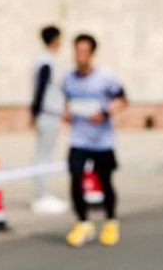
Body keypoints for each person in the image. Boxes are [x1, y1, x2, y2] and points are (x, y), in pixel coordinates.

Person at [62, 34, 127, 247]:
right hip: (78, 139)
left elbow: (122, 99)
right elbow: (67, 101)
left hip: (102, 140)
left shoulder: (104, 78)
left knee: (105, 181)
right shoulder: (68, 78)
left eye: (84, 51)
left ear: (92, 54)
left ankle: (110, 221)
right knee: (75, 178)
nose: (80, 56)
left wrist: (105, 114)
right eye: (77, 51)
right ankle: (83, 223)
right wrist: (66, 113)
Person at [30, 25, 69, 214]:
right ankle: (41, 196)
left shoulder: (45, 60)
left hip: (48, 113)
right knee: (43, 156)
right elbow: (41, 89)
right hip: (48, 113)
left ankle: (42, 194)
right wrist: (36, 112)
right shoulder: (46, 62)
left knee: (45, 155)